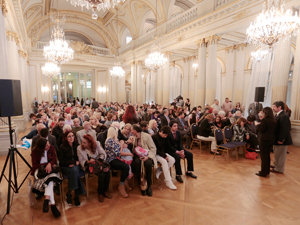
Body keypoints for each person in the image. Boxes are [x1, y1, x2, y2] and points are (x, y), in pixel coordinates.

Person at [31, 138, 62, 218]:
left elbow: (54, 159)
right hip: (39, 171)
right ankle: (52, 205)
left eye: (48, 144)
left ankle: (47, 200)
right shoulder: (35, 152)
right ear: (41, 147)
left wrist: (50, 164)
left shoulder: (51, 148)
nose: (49, 146)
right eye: (46, 146)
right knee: (50, 181)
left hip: (49, 170)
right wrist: (46, 164)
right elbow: (34, 165)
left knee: (50, 180)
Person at [77, 134, 111, 202]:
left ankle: (105, 190)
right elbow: (81, 161)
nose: (82, 144)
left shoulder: (97, 144)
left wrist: (99, 160)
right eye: (82, 142)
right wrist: (89, 161)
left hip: (98, 163)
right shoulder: (79, 148)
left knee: (107, 171)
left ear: (90, 143)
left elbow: (103, 153)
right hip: (88, 166)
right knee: (101, 173)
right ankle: (100, 193)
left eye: (84, 142)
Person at [59, 131, 86, 206]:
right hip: (65, 167)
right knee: (75, 171)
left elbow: (80, 157)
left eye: (72, 136)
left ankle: (69, 193)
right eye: (69, 136)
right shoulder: (62, 147)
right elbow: (61, 161)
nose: (71, 138)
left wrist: (74, 163)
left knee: (74, 171)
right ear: (65, 138)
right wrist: (72, 163)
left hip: (75, 167)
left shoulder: (77, 146)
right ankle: (76, 196)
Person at [105, 127, 132, 198]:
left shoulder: (114, 140)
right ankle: (121, 185)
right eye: (116, 132)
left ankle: (125, 181)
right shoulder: (109, 140)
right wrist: (121, 147)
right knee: (125, 166)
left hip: (116, 158)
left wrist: (123, 145)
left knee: (129, 164)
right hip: (111, 160)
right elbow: (118, 153)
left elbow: (120, 148)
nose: (117, 133)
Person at [131, 125, 157, 196]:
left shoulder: (146, 136)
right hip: (138, 155)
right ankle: (141, 182)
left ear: (135, 131)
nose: (131, 131)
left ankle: (148, 185)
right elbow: (134, 148)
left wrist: (147, 157)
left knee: (148, 164)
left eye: (132, 130)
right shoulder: (134, 137)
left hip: (147, 154)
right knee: (136, 163)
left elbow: (153, 148)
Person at [271, 101, 293, 173]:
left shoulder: (284, 116)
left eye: (274, 106)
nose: (273, 108)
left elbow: (285, 129)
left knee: (280, 155)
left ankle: (279, 169)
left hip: (281, 140)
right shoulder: (278, 115)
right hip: (276, 138)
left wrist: (281, 139)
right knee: (277, 153)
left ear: (279, 107)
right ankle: (276, 165)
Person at [255, 107, 276, 177]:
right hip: (271, 140)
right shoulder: (273, 120)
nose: (262, 114)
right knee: (267, 155)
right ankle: (267, 171)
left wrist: (257, 125)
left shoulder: (265, 120)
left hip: (264, 140)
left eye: (263, 112)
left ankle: (263, 172)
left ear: (265, 113)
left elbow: (262, 130)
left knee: (263, 157)